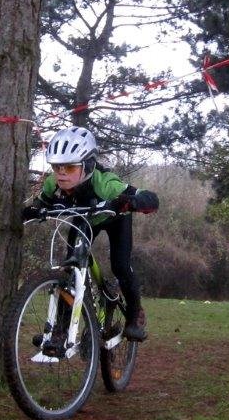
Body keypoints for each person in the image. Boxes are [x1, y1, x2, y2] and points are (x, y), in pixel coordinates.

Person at [22, 126, 158, 341]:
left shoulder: (106, 184)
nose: (62, 173)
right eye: (57, 167)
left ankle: (134, 317)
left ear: (88, 165)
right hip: (85, 219)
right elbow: (42, 203)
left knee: (120, 266)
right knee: (71, 267)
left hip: (115, 218)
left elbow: (146, 197)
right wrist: (31, 211)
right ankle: (62, 329)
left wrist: (135, 202)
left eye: (69, 167)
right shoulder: (53, 183)